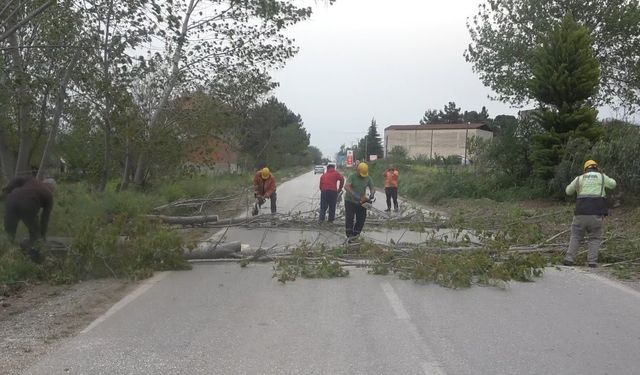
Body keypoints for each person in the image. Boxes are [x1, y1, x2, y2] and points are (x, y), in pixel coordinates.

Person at [563, 160, 616, 267]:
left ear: (585, 169)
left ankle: (569, 259)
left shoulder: (579, 178)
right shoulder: (602, 177)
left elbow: (568, 191)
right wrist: (604, 174)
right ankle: (592, 262)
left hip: (580, 214)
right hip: (596, 215)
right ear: (597, 168)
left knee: (576, 236)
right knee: (595, 238)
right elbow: (613, 184)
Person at [3, 177, 56, 263]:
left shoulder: (32, 180)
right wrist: (42, 237)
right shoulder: (49, 195)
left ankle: (5, 258)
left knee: (9, 233)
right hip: (28, 204)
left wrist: (7, 191)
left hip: (11, 200)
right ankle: (34, 262)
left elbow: (16, 180)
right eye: (53, 190)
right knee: (35, 235)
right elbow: (44, 219)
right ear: (51, 188)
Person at [344, 162, 375, 242]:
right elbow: (346, 186)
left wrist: (372, 194)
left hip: (361, 202)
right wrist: (354, 194)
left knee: (361, 219)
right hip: (350, 201)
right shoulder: (352, 176)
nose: (362, 176)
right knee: (349, 218)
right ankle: (349, 236)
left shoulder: (367, 177)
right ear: (357, 170)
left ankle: (356, 235)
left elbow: (372, 187)